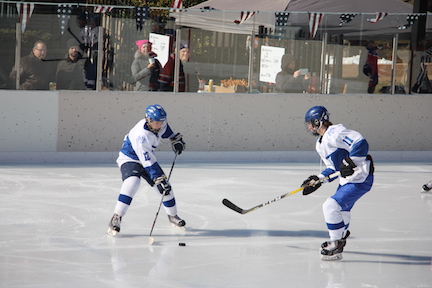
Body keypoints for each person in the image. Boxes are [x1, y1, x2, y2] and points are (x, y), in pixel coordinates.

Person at [301, 106, 374, 261]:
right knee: (341, 211)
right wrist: (318, 180)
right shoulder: (320, 144)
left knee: (330, 206)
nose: (308, 127)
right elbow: (334, 169)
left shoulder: (335, 133)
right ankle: (340, 235)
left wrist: (352, 161)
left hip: (360, 178)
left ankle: (336, 243)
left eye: (310, 123)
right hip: (347, 180)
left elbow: (360, 142)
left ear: (317, 121)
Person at [107, 104, 186, 236]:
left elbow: (166, 131)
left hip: (146, 157)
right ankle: (116, 217)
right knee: (132, 182)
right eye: (157, 122)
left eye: (162, 122)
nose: (160, 125)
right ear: (148, 120)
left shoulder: (160, 125)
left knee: (165, 188)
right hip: (130, 158)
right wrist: (158, 177)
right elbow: (146, 160)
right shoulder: (141, 136)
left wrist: (174, 139)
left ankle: (173, 216)